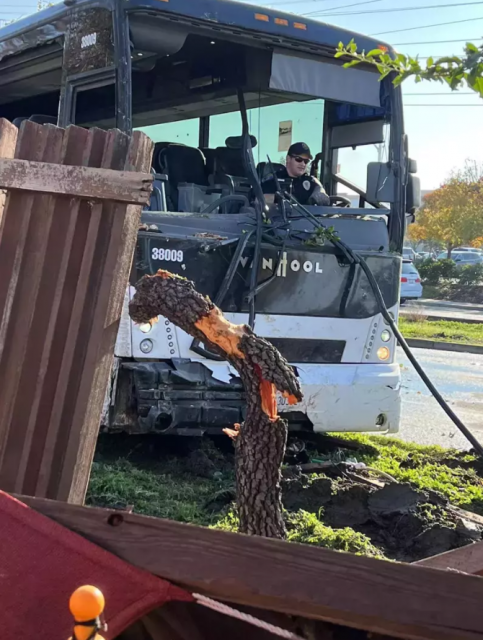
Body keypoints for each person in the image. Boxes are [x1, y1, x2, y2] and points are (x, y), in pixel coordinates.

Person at [261, 142, 330, 206]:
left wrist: (320, 192)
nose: (303, 164)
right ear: (288, 159)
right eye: (298, 159)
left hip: (309, 219)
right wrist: (278, 198)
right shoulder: (274, 180)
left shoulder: (309, 181)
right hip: (279, 218)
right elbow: (258, 199)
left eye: (306, 161)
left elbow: (320, 191)